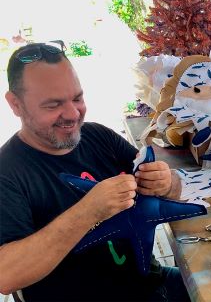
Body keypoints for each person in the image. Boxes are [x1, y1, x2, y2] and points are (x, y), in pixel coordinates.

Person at [0, 41, 189, 302]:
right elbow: (6, 275)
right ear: (15, 104)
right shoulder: (7, 172)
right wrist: (88, 212)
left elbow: (174, 192)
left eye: (77, 98)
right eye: (53, 105)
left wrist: (167, 182)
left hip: (152, 285)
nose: (72, 114)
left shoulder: (97, 136)